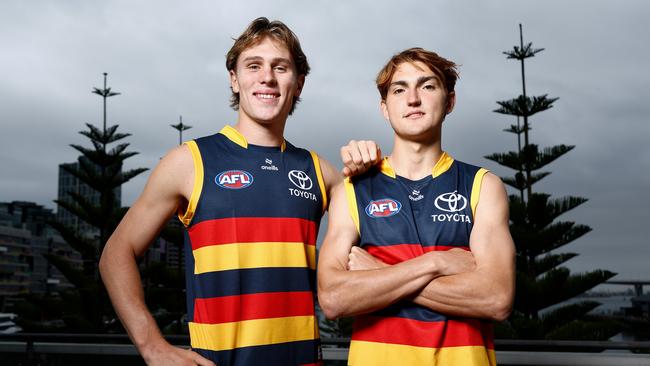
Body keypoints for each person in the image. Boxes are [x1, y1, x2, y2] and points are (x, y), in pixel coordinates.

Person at [100, 17, 341, 366]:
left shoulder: (323, 172)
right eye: (253, 65)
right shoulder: (189, 162)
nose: (267, 78)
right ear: (234, 79)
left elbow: (377, 245)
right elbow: (115, 254)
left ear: (299, 83)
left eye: (281, 67)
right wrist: (152, 346)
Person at [318, 48, 516, 365]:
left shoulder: (483, 186)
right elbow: (333, 298)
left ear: (449, 101)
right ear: (385, 108)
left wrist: (381, 275)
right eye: (400, 89)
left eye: (427, 86)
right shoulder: (352, 190)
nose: (413, 98)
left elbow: (495, 298)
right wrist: (436, 263)